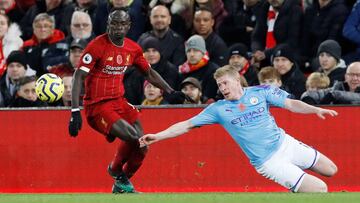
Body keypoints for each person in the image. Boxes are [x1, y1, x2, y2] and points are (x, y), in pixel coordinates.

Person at [140, 65, 338, 193]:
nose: (222, 88)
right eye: (219, 85)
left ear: (237, 80)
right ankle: (293, 182)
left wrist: (315, 110)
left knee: (331, 170)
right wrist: (158, 135)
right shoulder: (218, 109)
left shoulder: (261, 92)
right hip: (268, 162)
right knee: (320, 189)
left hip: (286, 143)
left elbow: (292, 104)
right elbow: (186, 125)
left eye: (225, 82)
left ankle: (295, 184)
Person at [68, 8, 186, 194]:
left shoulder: (133, 48)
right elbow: (78, 76)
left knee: (143, 145)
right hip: (97, 105)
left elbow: (148, 72)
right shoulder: (97, 46)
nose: (118, 28)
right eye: (114, 23)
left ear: (129, 26)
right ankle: (115, 170)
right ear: (108, 25)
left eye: (122, 24)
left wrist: (170, 91)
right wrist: (75, 111)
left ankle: (121, 184)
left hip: (119, 102)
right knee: (133, 138)